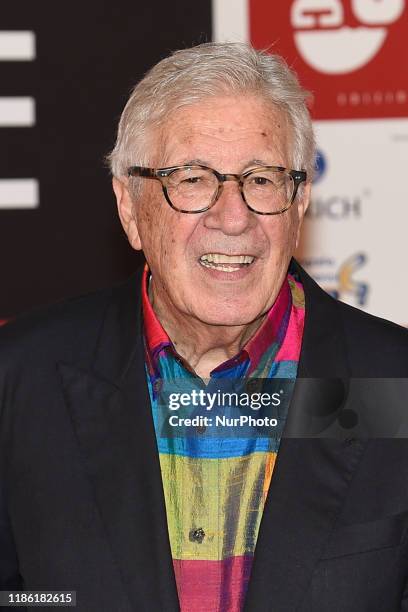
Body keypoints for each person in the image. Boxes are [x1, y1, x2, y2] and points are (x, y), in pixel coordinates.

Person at [1, 42, 408, 612]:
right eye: (192, 179)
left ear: (299, 201)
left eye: (261, 179)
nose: (234, 216)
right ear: (129, 207)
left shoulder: (395, 385)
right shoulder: (19, 384)